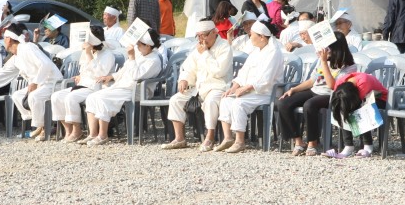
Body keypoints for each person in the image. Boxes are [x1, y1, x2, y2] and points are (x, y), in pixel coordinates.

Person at [0, 23, 62, 139]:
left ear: (9, 39)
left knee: (34, 96)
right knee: (17, 95)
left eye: (4, 39)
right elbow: (3, 73)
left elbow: (46, 64)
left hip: (52, 82)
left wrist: (35, 82)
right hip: (39, 84)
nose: (4, 41)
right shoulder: (16, 56)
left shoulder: (27, 47)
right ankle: (41, 124)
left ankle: (44, 128)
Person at [278, 32, 356, 157]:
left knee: (309, 105)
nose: (325, 49)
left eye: (328, 47)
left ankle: (312, 143)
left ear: (336, 48)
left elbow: (332, 86)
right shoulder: (323, 60)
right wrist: (294, 89)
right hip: (315, 90)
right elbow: (311, 81)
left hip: (331, 95)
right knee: (283, 102)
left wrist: (324, 62)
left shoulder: (348, 66)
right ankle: (298, 141)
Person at [162, 18, 233, 151]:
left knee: (211, 102)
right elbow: (188, 67)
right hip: (199, 88)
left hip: (218, 86)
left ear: (214, 32)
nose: (201, 39)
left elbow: (219, 71)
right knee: (175, 100)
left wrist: (205, 53)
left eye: (204, 35)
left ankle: (210, 137)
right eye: (198, 36)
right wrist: (184, 79)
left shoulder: (224, 47)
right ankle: (179, 138)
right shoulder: (199, 49)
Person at [84, 30, 163, 146]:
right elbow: (125, 70)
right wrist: (111, 76)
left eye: (140, 44)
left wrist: (131, 56)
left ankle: (103, 135)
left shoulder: (154, 60)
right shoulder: (141, 54)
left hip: (137, 90)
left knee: (102, 98)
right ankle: (93, 133)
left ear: (148, 46)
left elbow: (136, 76)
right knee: (92, 97)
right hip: (123, 87)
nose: (137, 46)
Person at [214, 21, 284, 153]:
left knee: (239, 103)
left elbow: (265, 79)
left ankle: (240, 141)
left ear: (262, 37)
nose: (249, 37)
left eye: (252, 35)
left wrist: (245, 89)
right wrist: (234, 87)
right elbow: (243, 72)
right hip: (252, 91)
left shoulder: (274, 52)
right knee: (226, 99)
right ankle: (228, 138)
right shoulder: (256, 51)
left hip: (267, 92)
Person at [51, 26, 116, 143]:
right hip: (82, 84)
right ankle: (68, 130)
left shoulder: (107, 54)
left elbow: (100, 74)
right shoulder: (87, 52)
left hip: (95, 87)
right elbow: (84, 69)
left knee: (71, 97)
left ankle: (77, 130)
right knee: (56, 97)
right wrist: (80, 75)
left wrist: (89, 54)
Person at [329, 69, 389, 158]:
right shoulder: (339, 83)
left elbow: (357, 104)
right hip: (365, 98)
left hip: (381, 99)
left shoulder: (363, 83)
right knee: (342, 109)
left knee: (360, 110)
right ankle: (348, 145)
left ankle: (368, 145)